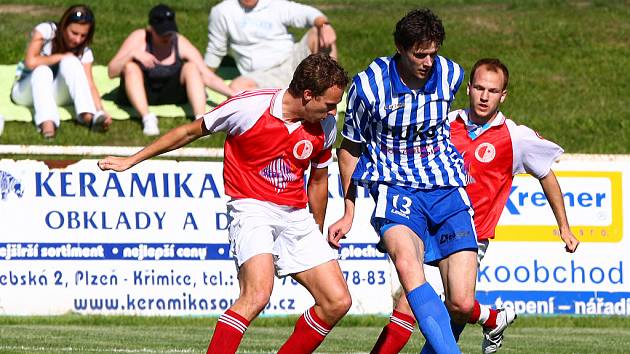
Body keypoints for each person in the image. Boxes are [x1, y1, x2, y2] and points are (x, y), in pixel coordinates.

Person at [98, 53, 351, 354]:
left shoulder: (325, 125)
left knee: (337, 301)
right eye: (329, 104)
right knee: (257, 295)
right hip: (252, 208)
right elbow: (189, 132)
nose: (334, 112)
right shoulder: (250, 106)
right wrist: (131, 160)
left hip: (296, 215)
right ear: (308, 95)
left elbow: (319, 181)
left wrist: (316, 232)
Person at [370, 58, 581, 354]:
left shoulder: (515, 137)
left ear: (503, 95)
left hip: (470, 236)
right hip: (429, 226)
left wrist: (564, 227)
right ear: (468, 88)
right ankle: (491, 318)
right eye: (479, 88)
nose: (484, 96)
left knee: (458, 305)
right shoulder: (444, 124)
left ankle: (490, 318)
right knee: (408, 302)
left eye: (492, 91)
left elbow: (546, 174)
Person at [328, 8, 478, 354]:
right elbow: (349, 148)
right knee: (410, 271)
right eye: (419, 54)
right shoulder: (368, 87)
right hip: (395, 188)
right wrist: (349, 210)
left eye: (433, 53)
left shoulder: (451, 74)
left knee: (462, 302)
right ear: (400, 48)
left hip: (445, 188)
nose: (428, 62)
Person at [108, 4, 236, 136]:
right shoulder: (139, 38)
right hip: (142, 92)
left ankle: (200, 119)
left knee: (191, 67)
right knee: (130, 67)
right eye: (162, 33)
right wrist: (132, 54)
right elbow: (111, 72)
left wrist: (233, 94)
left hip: (171, 93)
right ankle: (147, 118)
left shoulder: (179, 41)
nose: (166, 37)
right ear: (150, 29)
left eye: (169, 33)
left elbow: (206, 75)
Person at [10, 4, 112, 139]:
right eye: (74, 33)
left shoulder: (84, 51)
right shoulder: (46, 31)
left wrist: (101, 110)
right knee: (42, 71)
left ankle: (89, 115)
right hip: (25, 91)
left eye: (83, 35)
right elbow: (30, 62)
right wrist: (61, 57)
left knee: (72, 62)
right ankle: (47, 123)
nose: (78, 40)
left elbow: (89, 83)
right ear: (64, 26)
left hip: (56, 94)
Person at [204, 0, 337, 91]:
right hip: (263, 75)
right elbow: (216, 50)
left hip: (293, 61)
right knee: (237, 87)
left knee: (319, 32)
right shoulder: (222, 12)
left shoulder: (274, 3)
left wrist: (325, 25)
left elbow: (307, 13)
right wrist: (204, 77)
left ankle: (330, 88)